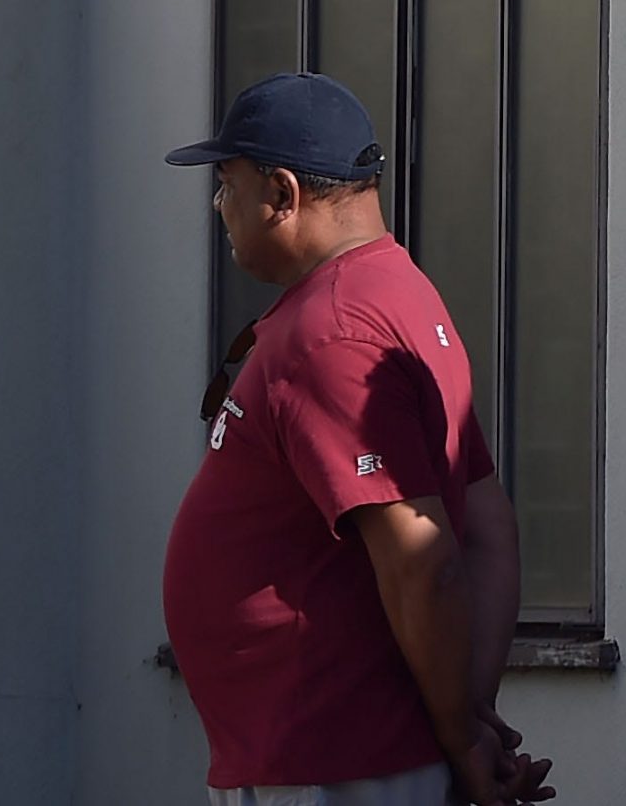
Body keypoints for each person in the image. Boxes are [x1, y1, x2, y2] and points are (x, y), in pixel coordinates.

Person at [160, 72, 551, 806]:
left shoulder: (334, 332)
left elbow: (424, 560)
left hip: (328, 758)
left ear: (281, 194)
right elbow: (489, 525)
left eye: (228, 183)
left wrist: (464, 733)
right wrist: (467, 716)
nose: (220, 205)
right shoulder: (398, 295)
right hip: (339, 751)